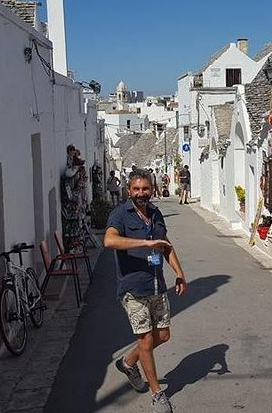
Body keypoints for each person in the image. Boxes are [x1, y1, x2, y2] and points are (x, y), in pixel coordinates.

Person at [104, 169, 186, 413]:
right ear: (129, 190)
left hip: (156, 285)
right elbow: (109, 241)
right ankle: (157, 394)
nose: (141, 193)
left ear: (152, 189)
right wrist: (144, 243)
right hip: (133, 288)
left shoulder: (155, 213)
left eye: (145, 189)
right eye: (136, 189)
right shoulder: (120, 214)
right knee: (146, 340)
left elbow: (166, 245)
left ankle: (128, 362)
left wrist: (179, 273)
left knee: (163, 336)